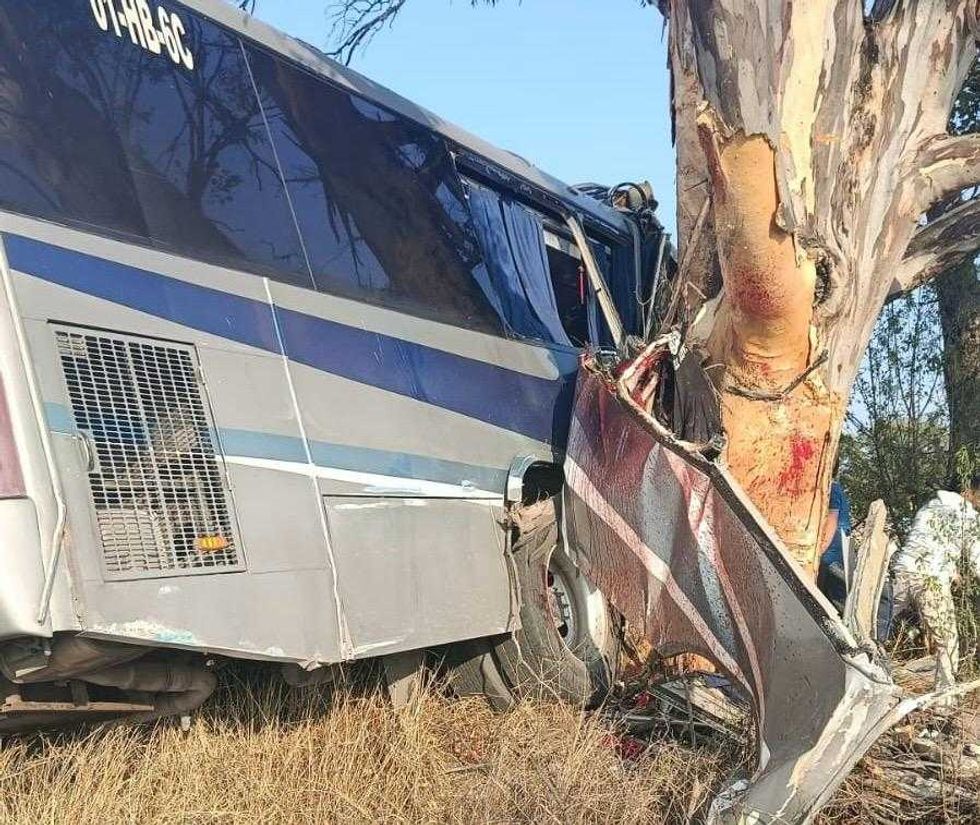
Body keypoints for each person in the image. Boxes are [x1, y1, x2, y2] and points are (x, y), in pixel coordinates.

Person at [890, 471, 980, 692]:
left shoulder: (931, 506)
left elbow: (930, 543)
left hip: (902, 571)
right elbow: (977, 559)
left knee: (882, 630)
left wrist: (952, 571)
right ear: (970, 491)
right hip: (931, 580)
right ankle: (944, 701)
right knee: (947, 643)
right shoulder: (967, 514)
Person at [817, 478, 852, 613]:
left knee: (826, 584)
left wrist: (822, 548)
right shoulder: (835, 488)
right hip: (838, 545)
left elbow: (832, 518)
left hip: (834, 545)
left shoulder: (832, 487)